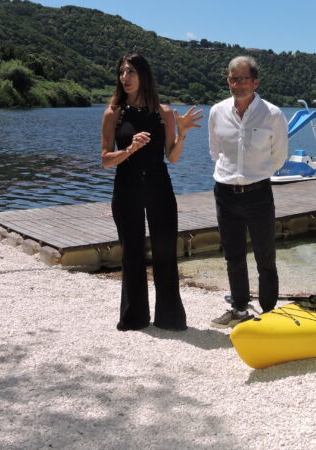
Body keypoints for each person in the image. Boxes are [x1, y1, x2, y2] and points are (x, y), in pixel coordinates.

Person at [101, 53, 204, 332]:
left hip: (159, 187)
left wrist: (181, 134)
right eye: (121, 72)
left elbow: (172, 157)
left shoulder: (165, 112)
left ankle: (169, 319)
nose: (125, 77)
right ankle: (134, 319)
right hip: (126, 188)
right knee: (131, 254)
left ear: (144, 76)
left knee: (165, 253)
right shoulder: (113, 113)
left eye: (131, 71)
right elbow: (106, 159)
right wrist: (130, 149)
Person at [208, 56, 288, 328]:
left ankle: (268, 314)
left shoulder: (273, 114)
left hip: (258, 194)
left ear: (255, 82)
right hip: (225, 194)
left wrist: (255, 175)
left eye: (243, 79)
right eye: (233, 78)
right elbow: (215, 151)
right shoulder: (217, 111)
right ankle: (239, 309)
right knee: (233, 256)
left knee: (265, 256)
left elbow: (278, 157)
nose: (237, 84)